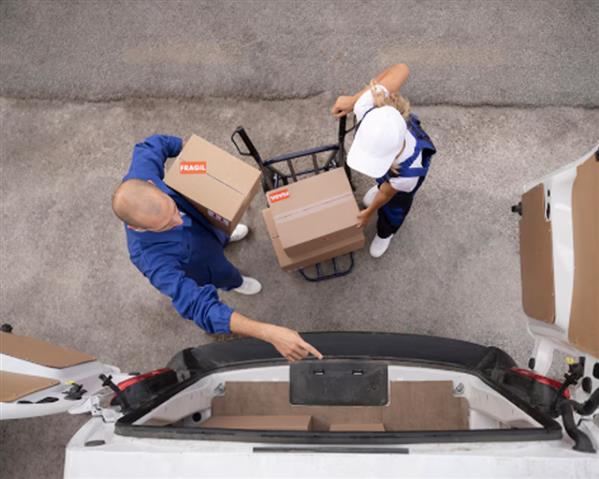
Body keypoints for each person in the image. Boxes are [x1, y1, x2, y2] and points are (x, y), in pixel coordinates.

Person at [112, 134, 322, 362]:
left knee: (221, 229)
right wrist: (268, 333)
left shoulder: (142, 171)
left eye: (173, 209)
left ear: (152, 184)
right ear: (135, 227)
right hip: (205, 263)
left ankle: (225, 236)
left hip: (208, 223)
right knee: (225, 274)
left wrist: (191, 150)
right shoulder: (151, 260)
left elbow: (154, 144)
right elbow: (197, 306)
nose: (179, 221)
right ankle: (236, 283)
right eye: (165, 226)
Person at [331, 64, 436, 257]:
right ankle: (379, 186)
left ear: (393, 155)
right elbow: (401, 68)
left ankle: (385, 232)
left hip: (398, 186)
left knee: (394, 209)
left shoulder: (407, 176)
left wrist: (369, 212)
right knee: (383, 185)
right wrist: (353, 101)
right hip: (392, 178)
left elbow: (387, 194)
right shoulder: (365, 107)